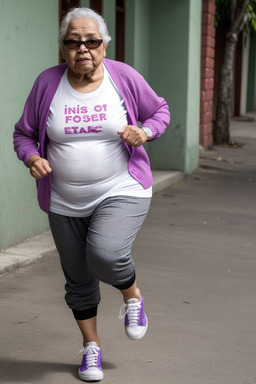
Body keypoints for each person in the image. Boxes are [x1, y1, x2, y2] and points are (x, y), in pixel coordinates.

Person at [13, 7, 170, 382]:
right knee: (78, 277)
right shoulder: (47, 83)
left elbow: (159, 111)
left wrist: (144, 133)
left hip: (122, 187)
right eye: (73, 41)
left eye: (92, 41)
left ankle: (132, 295)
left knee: (106, 253)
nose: (83, 48)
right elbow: (23, 133)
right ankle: (91, 348)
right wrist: (31, 156)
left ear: (104, 45)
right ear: (62, 48)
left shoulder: (124, 77)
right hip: (64, 200)